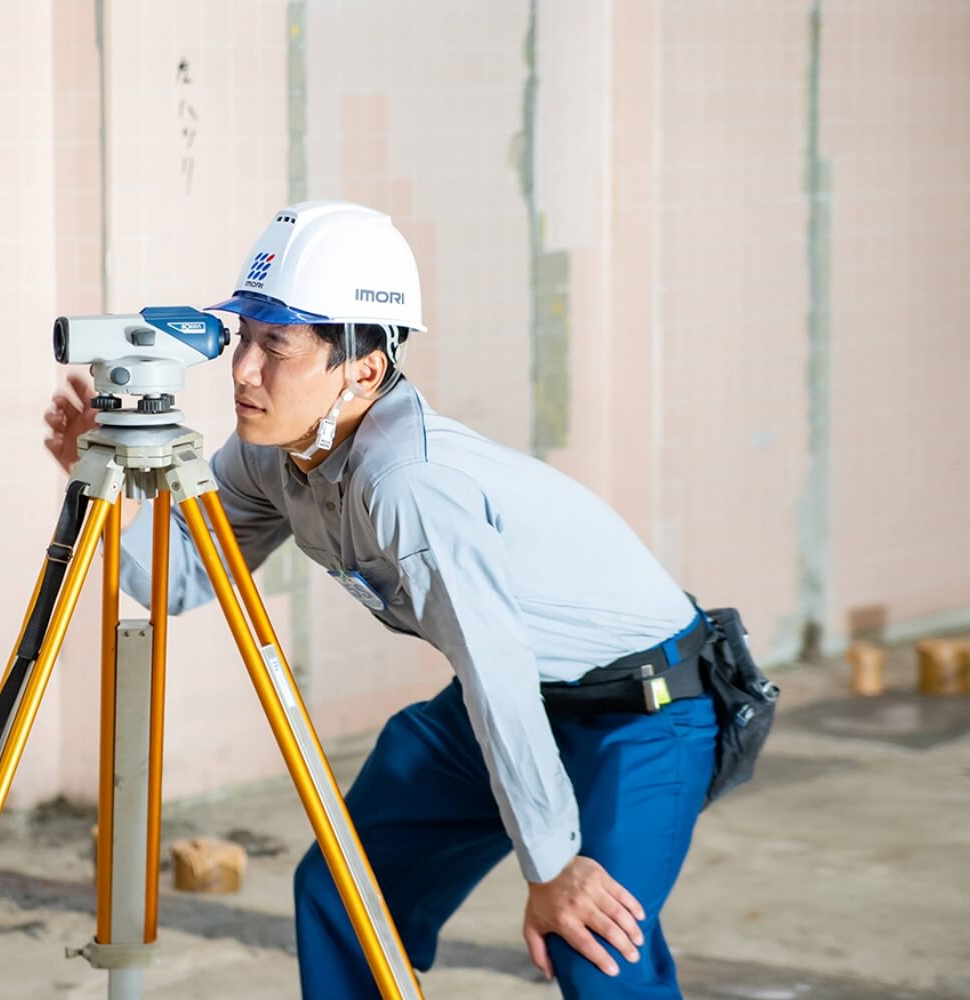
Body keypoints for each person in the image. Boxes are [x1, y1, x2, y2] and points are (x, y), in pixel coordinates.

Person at [43, 200, 718, 999]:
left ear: (363, 368)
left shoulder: (409, 484)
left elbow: (493, 667)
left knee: (596, 949)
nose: (243, 372)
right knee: (345, 893)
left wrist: (553, 866)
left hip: (643, 712)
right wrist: (96, 484)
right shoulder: (274, 454)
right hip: (516, 695)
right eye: (245, 339)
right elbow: (180, 578)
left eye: (278, 347)